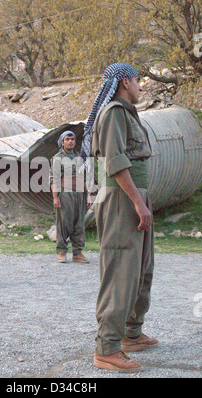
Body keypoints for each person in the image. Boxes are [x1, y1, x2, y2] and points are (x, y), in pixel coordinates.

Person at [81, 63, 158, 373]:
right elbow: (114, 162)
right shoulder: (113, 112)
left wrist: (142, 201)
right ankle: (107, 348)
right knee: (120, 270)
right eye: (138, 80)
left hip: (134, 197)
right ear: (125, 81)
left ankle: (131, 333)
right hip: (121, 199)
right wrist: (139, 204)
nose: (141, 86)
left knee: (141, 268)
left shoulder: (127, 112)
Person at [50, 131, 91, 264]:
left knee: (79, 224)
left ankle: (77, 253)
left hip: (79, 194)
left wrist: (88, 195)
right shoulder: (58, 157)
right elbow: (54, 179)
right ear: (62, 142)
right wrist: (55, 197)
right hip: (65, 193)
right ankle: (61, 252)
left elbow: (83, 177)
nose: (71, 141)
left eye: (72, 139)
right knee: (64, 223)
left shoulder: (79, 157)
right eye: (67, 139)